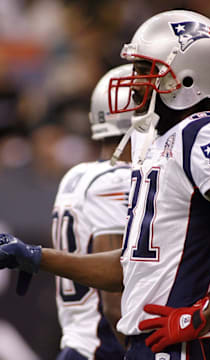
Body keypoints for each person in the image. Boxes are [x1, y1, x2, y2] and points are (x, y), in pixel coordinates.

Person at [0, 10, 210, 360]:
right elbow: (129, 264)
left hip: (188, 344)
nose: (136, 81)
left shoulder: (202, 136)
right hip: (153, 341)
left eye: (145, 71)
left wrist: (203, 313)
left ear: (187, 78)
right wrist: (37, 257)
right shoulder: (160, 146)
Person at [52, 64, 134, 360]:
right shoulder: (118, 180)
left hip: (79, 343)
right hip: (104, 347)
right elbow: (115, 301)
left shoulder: (77, 175)